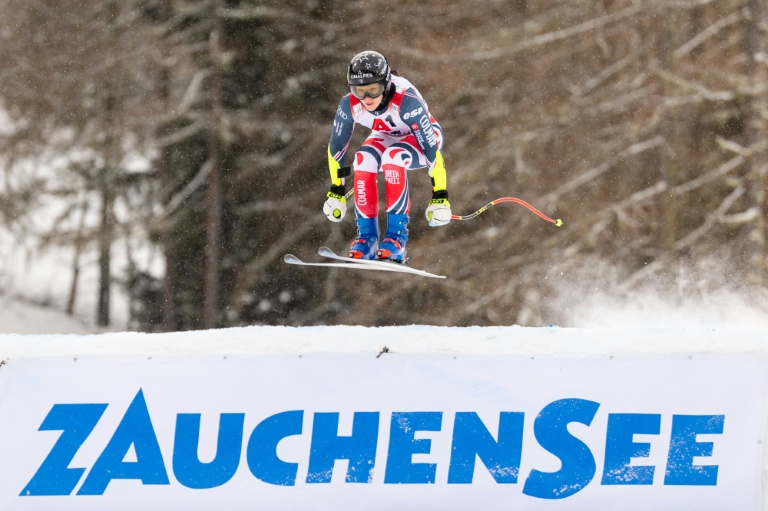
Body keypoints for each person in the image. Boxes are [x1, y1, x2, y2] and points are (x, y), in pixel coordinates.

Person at [323, 50, 452, 261]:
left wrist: (440, 198)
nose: (366, 98)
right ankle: (367, 239)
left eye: (373, 90)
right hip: (386, 134)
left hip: (421, 139)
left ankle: (396, 239)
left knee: (394, 156)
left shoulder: (406, 101)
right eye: (359, 91)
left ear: (386, 84)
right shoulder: (349, 105)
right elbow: (336, 148)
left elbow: (431, 151)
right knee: (363, 159)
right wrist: (336, 191)